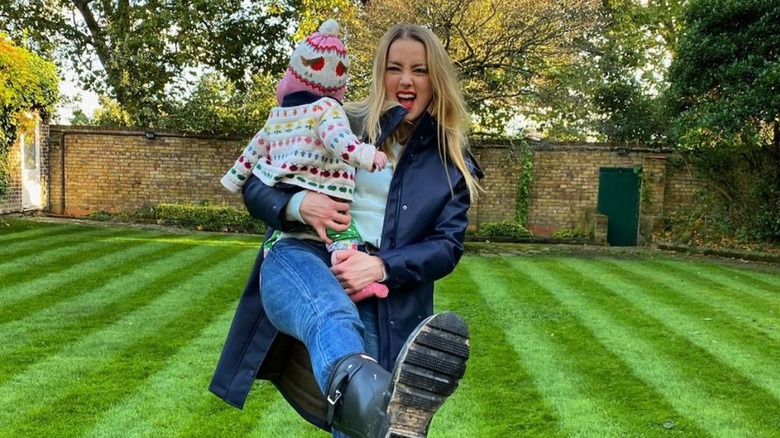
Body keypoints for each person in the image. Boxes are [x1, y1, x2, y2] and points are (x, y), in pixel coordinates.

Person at [210, 23, 484, 438]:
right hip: (301, 257)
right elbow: (254, 184)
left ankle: (377, 413)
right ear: (380, 73)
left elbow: (447, 246)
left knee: (364, 420)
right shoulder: (338, 120)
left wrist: (380, 267)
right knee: (332, 315)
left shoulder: (451, 160)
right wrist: (298, 205)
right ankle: (377, 408)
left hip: (381, 292)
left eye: (419, 70)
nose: (405, 80)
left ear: (436, 78)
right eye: (394, 68)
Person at [220, 19, 389, 302]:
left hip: (284, 187)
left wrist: (233, 178)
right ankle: (355, 283)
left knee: (285, 239)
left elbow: (253, 151)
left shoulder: (278, 115)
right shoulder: (328, 109)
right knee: (344, 235)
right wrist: (368, 155)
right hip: (326, 191)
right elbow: (340, 141)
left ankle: (277, 255)